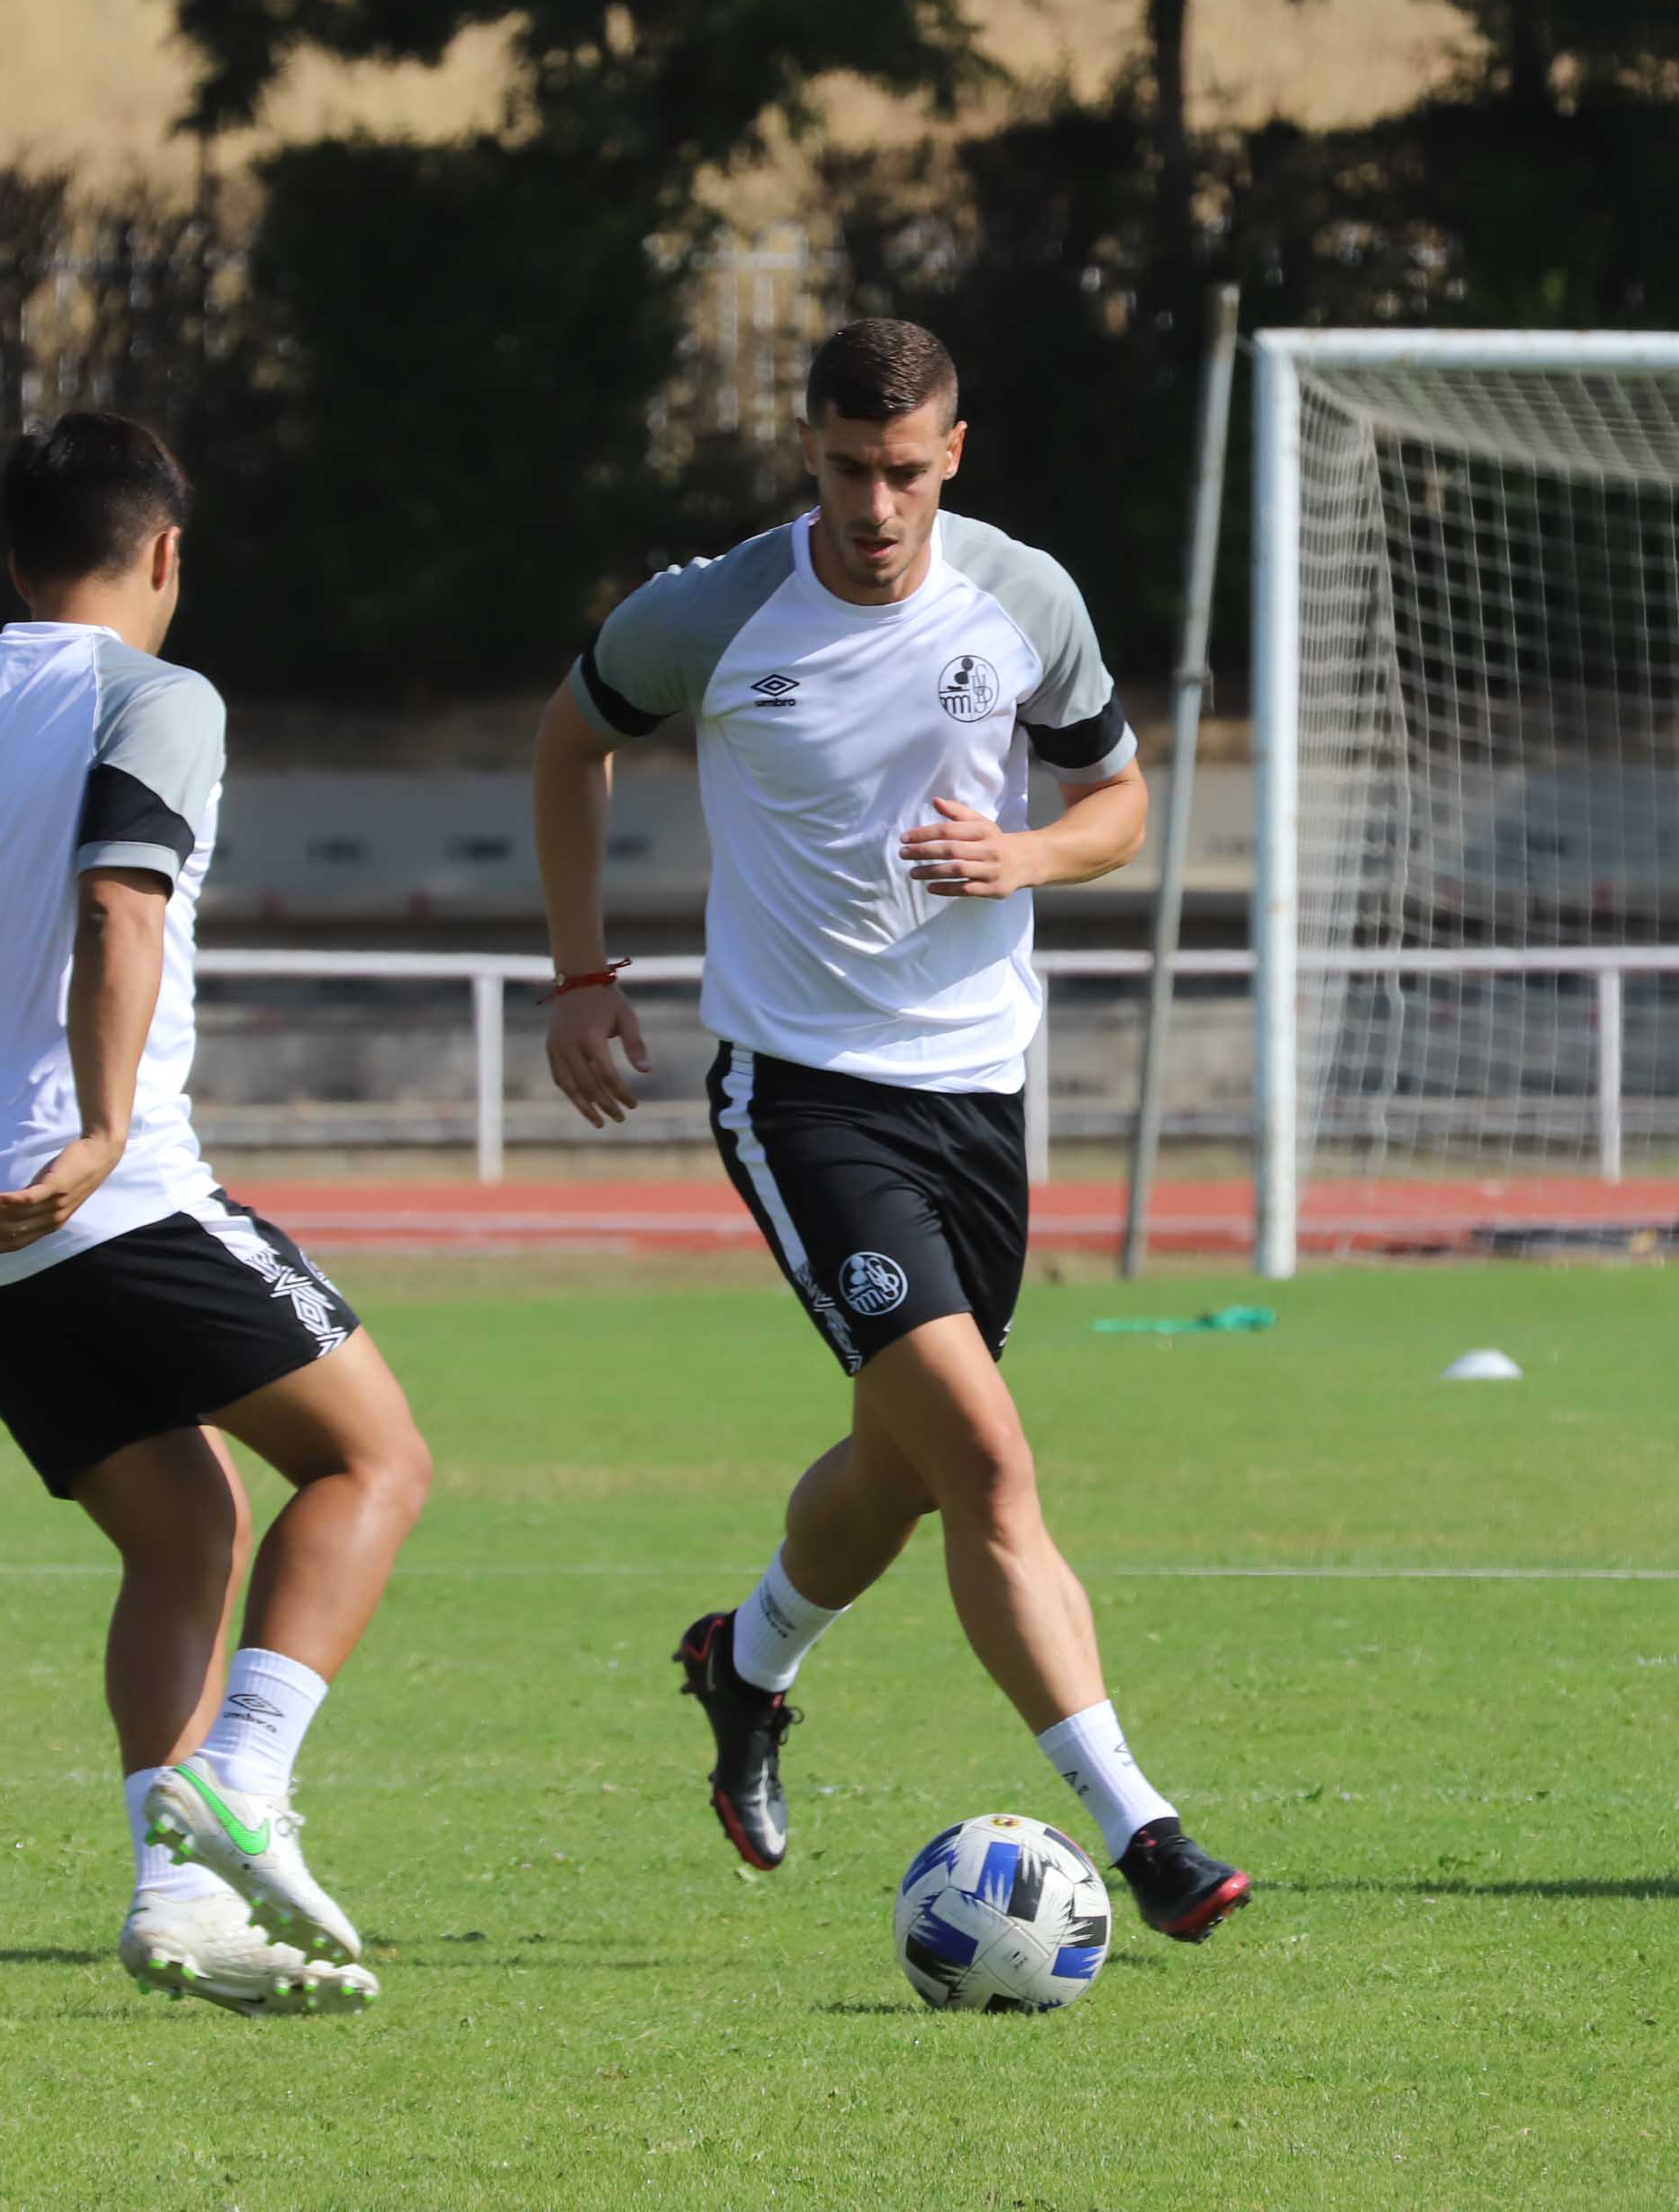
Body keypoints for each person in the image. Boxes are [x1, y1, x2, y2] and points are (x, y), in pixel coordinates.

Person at [528, 318, 1251, 1941]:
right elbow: (570, 741)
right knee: (987, 1457)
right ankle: (1142, 1832)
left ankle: (746, 1659)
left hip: (982, 1090)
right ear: (810, 452)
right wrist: (581, 975)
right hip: (802, 1093)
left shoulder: (1026, 598)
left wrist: (1027, 857)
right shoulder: (710, 613)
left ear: (954, 456)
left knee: (910, 1470)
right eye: (849, 471)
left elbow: (1118, 803)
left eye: (906, 472)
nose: (876, 505)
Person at [0, 413, 433, 2016]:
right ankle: (246, 1780)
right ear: (165, 553)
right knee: (373, 1461)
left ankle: (172, 1900)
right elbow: (117, 898)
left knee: (188, 1533)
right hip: (104, 1194)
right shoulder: (160, 697)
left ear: (13, 564)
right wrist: (99, 1125)